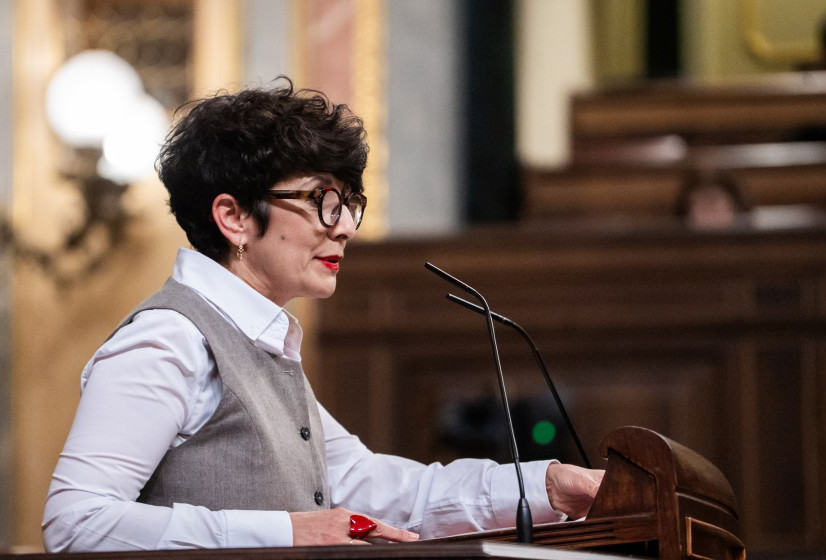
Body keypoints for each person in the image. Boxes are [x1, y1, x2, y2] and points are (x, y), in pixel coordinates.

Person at [42, 78, 604, 552]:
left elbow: (376, 487)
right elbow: (76, 521)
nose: (345, 227)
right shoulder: (171, 339)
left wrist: (549, 485)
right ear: (234, 217)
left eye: (347, 204)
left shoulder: (262, 343)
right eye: (320, 201)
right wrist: (287, 532)